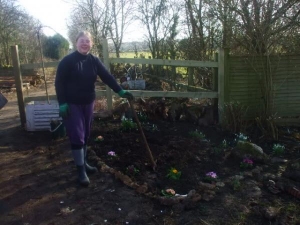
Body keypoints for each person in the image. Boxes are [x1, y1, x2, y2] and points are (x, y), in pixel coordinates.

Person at [55, 31, 133, 186]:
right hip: (71, 104)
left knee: (86, 134)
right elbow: (59, 83)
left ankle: (84, 163)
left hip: (88, 102)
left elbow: (107, 77)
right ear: (76, 42)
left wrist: (120, 91)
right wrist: (62, 102)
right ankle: (80, 171)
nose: (85, 44)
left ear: (91, 44)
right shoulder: (67, 61)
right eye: (82, 41)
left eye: (87, 41)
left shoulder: (94, 60)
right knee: (77, 136)